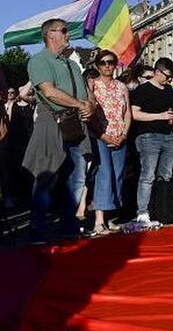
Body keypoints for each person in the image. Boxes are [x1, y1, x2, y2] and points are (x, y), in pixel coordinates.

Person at [24, 19, 97, 240]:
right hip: (52, 122)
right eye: (64, 30)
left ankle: (69, 225)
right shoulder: (39, 60)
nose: (68, 34)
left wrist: (91, 105)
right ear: (50, 34)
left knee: (76, 178)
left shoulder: (72, 64)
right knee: (46, 176)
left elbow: (87, 93)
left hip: (76, 123)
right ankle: (38, 228)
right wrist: (81, 104)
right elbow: (49, 92)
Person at [129, 57, 173, 226]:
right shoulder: (142, 90)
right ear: (157, 72)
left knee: (166, 176)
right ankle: (143, 212)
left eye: (171, 76)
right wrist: (159, 116)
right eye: (167, 75)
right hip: (149, 136)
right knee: (148, 176)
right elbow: (135, 114)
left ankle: (163, 210)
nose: (169, 79)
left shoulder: (167, 90)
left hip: (168, 136)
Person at [88, 50, 132, 235]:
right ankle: (98, 220)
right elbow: (89, 113)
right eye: (103, 62)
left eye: (111, 62)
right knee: (104, 174)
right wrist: (103, 135)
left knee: (118, 176)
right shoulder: (92, 86)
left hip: (120, 135)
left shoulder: (122, 87)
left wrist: (124, 134)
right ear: (98, 65)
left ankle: (109, 217)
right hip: (100, 136)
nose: (107, 66)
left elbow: (127, 112)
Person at [2, 86, 34, 209]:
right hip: (16, 139)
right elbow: (8, 121)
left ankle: (27, 194)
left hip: (28, 138)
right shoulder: (12, 106)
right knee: (16, 166)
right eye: (8, 92)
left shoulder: (31, 103)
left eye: (12, 92)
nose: (10, 94)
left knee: (28, 167)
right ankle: (18, 194)